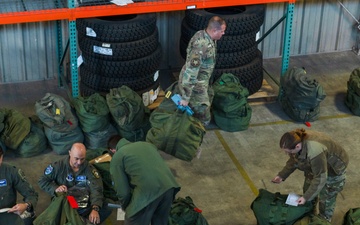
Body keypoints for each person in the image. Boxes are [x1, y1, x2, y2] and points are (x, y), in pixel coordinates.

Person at [271, 128, 349, 222]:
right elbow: (294, 160)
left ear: (297, 146)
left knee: (326, 197)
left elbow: (320, 178)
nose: (287, 153)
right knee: (308, 189)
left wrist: (305, 197)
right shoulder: (295, 139)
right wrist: (281, 175)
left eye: (288, 151)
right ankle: (310, 213)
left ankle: (323, 221)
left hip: (334, 168)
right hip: (315, 164)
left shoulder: (315, 151)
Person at [107, 134, 181, 225]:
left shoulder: (118, 156)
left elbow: (123, 191)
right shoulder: (147, 145)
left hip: (148, 193)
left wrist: (127, 207)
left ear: (112, 150)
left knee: (132, 220)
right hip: (169, 186)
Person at [38, 143, 112, 224]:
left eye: (82, 159)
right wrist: (55, 188)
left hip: (85, 202)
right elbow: (42, 181)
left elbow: (96, 189)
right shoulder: (58, 166)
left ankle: (83, 220)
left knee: (108, 206)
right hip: (66, 201)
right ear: (70, 153)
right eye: (76, 158)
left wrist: (95, 208)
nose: (79, 162)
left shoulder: (90, 169)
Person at [178, 15, 226, 125]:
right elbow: (191, 71)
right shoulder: (201, 45)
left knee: (210, 95)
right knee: (204, 114)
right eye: (222, 31)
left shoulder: (209, 38)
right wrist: (185, 98)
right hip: (195, 84)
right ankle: (197, 129)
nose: (223, 33)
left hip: (203, 81)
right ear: (214, 30)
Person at [0, 141, 38, 225]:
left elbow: (31, 195)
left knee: (30, 220)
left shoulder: (11, 172)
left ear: (2, 157)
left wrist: (26, 205)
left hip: (8, 214)